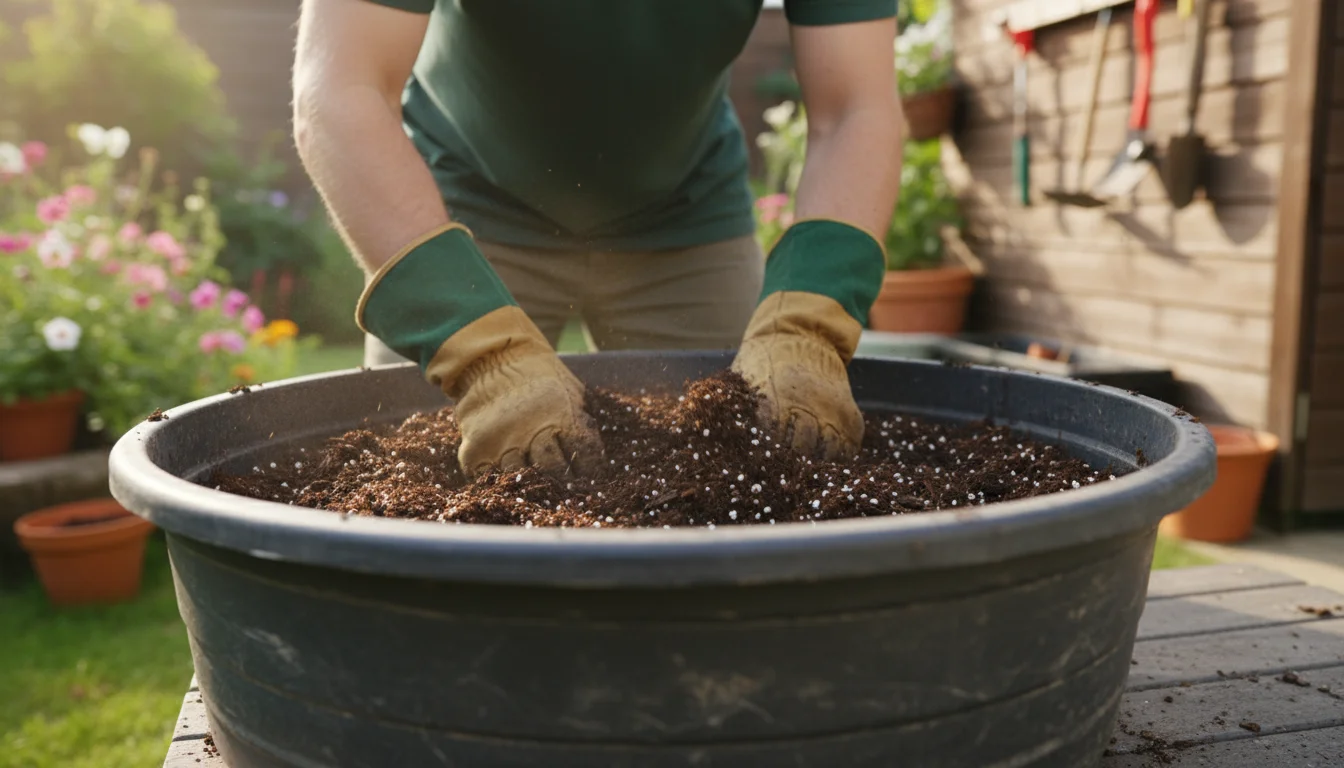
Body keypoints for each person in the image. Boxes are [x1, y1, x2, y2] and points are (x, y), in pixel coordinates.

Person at [292, 0, 904, 479]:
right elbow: (342, 89)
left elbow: (856, 107)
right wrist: (477, 350)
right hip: (463, 215)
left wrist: (807, 324)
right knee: (413, 486)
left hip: (685, 215)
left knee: (752, 461)